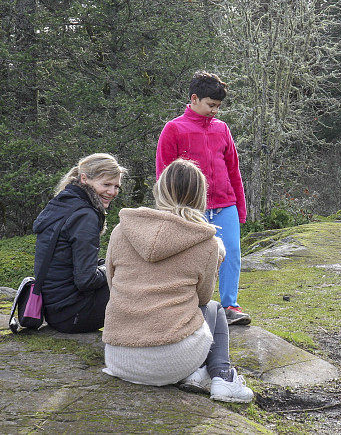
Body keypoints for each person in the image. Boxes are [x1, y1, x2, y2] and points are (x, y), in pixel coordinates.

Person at [102, 159, 254, 403]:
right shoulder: (207, 242)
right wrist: (216, 258)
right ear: (200, 196)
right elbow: (203, 300)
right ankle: (223, 378)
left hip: (119, 357)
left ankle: (197, 373)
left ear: (160, 190)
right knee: (214, 307)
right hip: (171, 361)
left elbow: (112, 284)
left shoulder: (122, 230)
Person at [156, 71, 250, 326]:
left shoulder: (222, 129)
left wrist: (240, 208)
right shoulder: (174, 128)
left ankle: (230, 305)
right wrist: (169, 211)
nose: (215, 111)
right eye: (211, 105)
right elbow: (164, 175)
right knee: (191, 259)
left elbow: (233, 171)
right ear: (194, 99)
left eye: (218, 106)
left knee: (231, 253)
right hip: (189, 208)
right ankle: (191, 307)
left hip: (225, 203)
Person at [32, 153, 127, 333]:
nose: (112, 192)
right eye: (106, 184)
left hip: (54, 309)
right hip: (72, 314)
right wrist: (112, 269)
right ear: (84, 179)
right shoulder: (85, 216)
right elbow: (86, 280)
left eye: (116, 186)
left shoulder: (63, 203)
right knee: (132, 278)